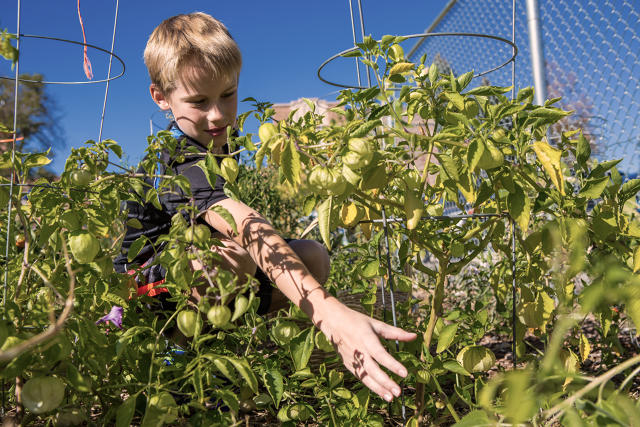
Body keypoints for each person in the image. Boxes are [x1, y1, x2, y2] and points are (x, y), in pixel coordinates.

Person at [115, 11, 416, 403]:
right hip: (142, 293)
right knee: (235, 255)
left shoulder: (222, 137)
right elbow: (242, 223)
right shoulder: (175, 157)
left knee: (312, 255)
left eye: (228, 94)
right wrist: (330, 314)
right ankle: (174, 357)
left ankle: (293, 363)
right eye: (199, 101)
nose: (218, 114)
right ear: (161, 98)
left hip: (195, 272)